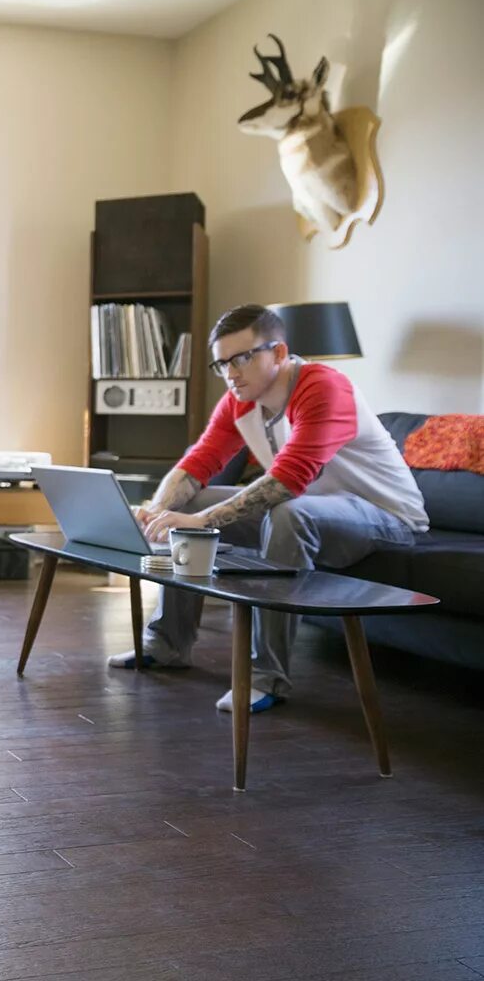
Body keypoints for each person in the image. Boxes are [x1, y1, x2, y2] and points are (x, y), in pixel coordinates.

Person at [114, 304, 427, 712]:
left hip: (385, 516)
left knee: (287, 513)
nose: (231, 373)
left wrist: (200, 521)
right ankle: (168, 643)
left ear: (279, 353)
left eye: (242, 358)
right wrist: (157, 510)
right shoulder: (240, 398)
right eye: (222, 363)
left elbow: (287, 481)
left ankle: (266, 677)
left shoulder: (324, 387)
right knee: (188, 500)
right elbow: (199, 462)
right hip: (313, 507)